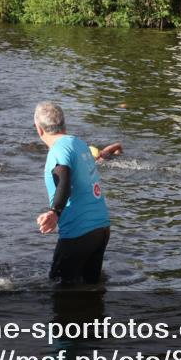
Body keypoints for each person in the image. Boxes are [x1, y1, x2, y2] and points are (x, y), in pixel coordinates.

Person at [33, 102, 111, 285]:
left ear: (39, 129)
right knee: (91, 289)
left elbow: (64, 182)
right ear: (64, 124)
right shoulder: (79, 143)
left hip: (79, 232)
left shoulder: (58, 149)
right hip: (101, 228)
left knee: (60, 290)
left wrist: (54, 211)